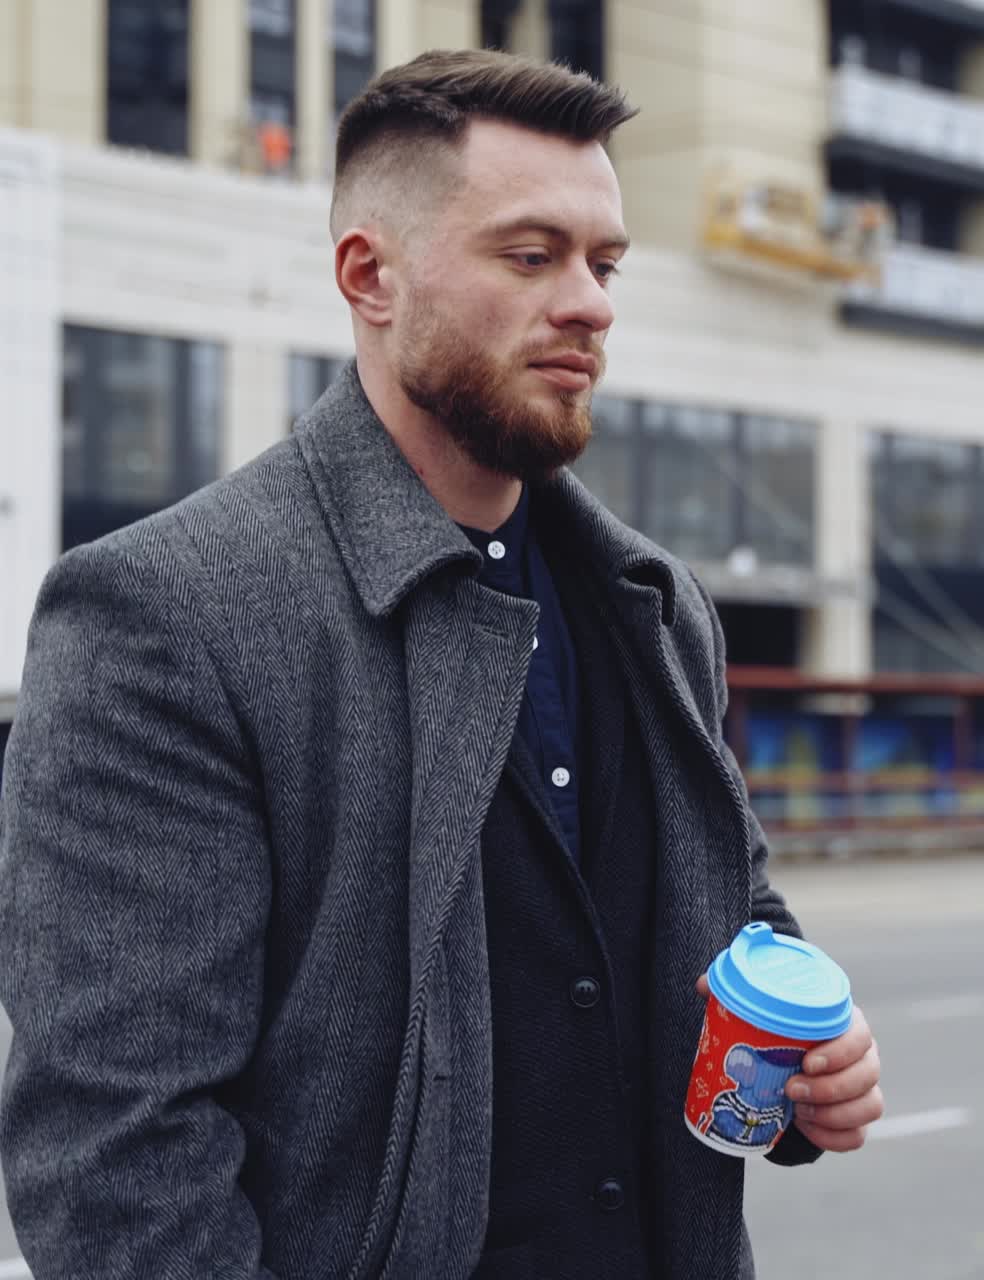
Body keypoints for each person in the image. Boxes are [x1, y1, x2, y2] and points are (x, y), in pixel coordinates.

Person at [0, 50, 882, 1280]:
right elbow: (115, 1156)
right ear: (370, 274)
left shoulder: (657, 607)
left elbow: (732, 913)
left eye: (604, 262)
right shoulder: (161, 615)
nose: (589, 303)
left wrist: (806, 1062)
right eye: (531, 256)